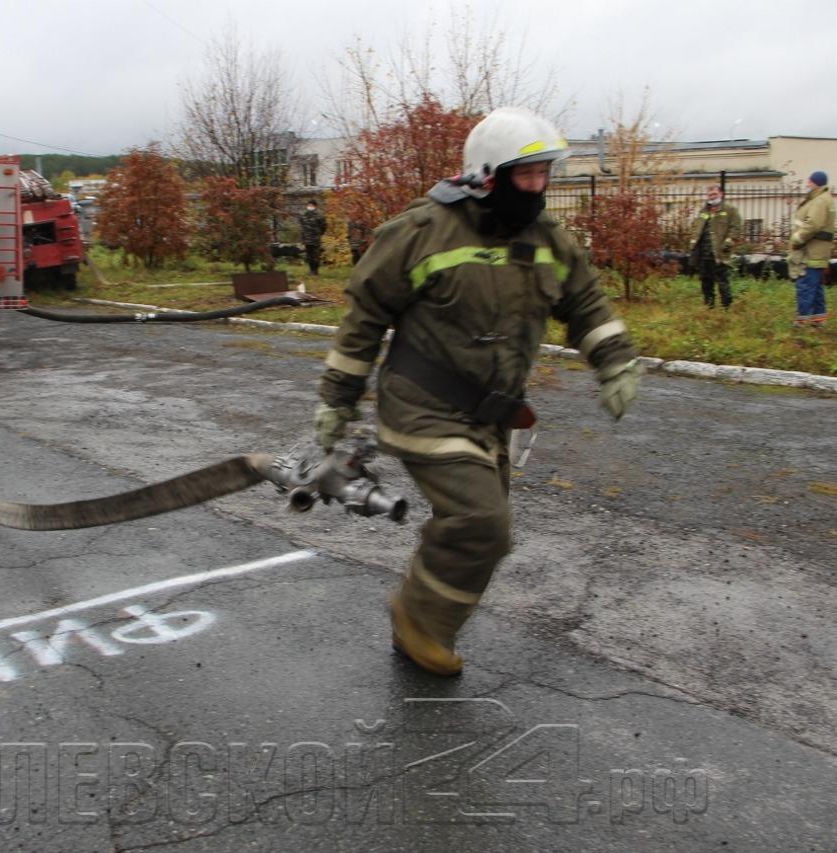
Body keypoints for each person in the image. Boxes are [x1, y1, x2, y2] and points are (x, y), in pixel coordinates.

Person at [312, 107, 643, 676]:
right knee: (482, 522)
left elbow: (585, 303)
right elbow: (365, 318)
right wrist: (338, 397)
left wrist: (613, 360)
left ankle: (423, 621)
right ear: (487, 174)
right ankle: (418, 624)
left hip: (491, 417)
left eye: (544, 173)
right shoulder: (422, 233)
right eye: (527, 174)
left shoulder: (547, 241)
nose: (538, 186)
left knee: (486, 535)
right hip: (423, 406)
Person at [789, 171, 837, 326]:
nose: (807, 184)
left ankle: (802, 320)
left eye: (809, 181)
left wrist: (798, 238)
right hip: (817, 251)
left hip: (810, 251)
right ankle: (819, 319)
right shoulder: (822, 199)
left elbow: (813, 225)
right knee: (815, 287)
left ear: (814, 182)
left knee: (805, 286)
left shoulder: (819, 201)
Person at [688, 185, 742, 309]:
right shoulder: (704, 211)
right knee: (706, 281)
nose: (712, 197)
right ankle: (709, 306)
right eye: (710, 194)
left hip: (720, 253)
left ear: (721, 194)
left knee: (722, 281)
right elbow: (696, 227)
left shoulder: (730, 210)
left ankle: (726, 307)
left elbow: (736, 229)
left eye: (714, 194)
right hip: (703, 253)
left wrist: (728, 243)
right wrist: (693, 243)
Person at [298, 201, 327, 275]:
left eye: (311, 205)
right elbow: (301, 225)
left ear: (315, 206)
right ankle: (311, 270)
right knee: (309, 255)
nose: (310, 206)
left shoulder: (319, 215)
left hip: (315, 238)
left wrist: (319, 233)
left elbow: (324, 226)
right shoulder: (303, 214)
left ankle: (315, 270)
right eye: (308, 205)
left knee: (315, 255)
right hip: (306, 238)